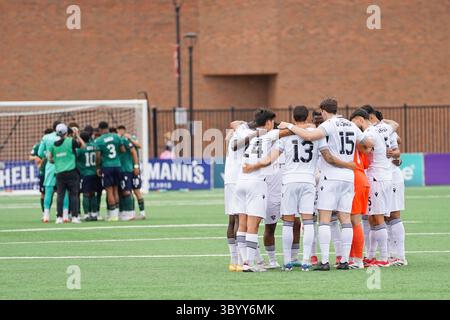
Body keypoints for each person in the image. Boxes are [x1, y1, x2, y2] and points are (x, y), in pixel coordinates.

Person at [245, 106, 355, 271]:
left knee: (288, 223)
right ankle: (305, 261)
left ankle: (288, 262)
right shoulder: (317, 135)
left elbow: (270, 159)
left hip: (289, 181)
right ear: (308, 117)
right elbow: (327, 156)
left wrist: (253, 165)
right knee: (308, 221)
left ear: (293, 117)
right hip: (309, 181)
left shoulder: (286, 136)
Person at [278, 99, 373, 270]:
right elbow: (369, 144)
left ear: (323, 111)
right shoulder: (350, 125)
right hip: (349, 178)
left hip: (330, 176)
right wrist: (364, 133)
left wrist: (289, 126)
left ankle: (324, 261)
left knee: (325, 220)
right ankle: (344, 261)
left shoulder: (329, 124)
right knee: (345, 219)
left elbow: (308, 136)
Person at [350, 108, 399, 267]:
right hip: (385, 175)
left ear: (360, 119)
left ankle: (384, 258)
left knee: (377, 218)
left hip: (376, 176)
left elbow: (368, 146)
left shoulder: (369, 132)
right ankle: (371, 255)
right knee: (372, 218)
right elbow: (394, 125)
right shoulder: (383, 127)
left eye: (354, 122)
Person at [234, 109, 279, 272]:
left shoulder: (251, 137)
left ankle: (243, 261)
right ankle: (249, 263)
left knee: (242, 224)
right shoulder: (271, 136)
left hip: (240, 182)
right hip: (256, 182)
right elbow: (268, 160)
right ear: (268, 122)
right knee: (253, 225)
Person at [48, 124, 86, 224]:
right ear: (66, 132)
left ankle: (59, 217)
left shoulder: (53, 145)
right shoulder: (71, 141)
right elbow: (83, 146)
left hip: (59, 173)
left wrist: (59, 161)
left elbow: (50, 159)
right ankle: (74, 217)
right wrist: (77, 135)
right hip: (71, 172)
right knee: (73, 195)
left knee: (60, 195)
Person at [348, 109, 371, 269]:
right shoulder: (360, 143)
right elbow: (366, 161)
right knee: (353, 220)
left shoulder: (351, 141)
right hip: (362, 178)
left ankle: (357, 260)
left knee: (354, 221)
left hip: (354, 178)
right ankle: (352, 257)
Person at [38, 121, 70, 222]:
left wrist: (48, 154)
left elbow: (39, 153)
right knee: (63, 191)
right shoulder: (66, 138)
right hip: (63, 166)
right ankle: (65, 215)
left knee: (48, 191)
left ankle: (46, 216)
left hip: (50, 166)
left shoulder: (46, 137)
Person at [95, 121, 125, 222]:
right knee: (116, 189)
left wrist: (98, 167)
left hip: (107, 167)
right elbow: (122, 150)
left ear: (100, 129)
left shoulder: (99, 140)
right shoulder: (116, 137)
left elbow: (98, 156)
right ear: (108, 127)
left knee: (109, 191)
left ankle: (113, 216)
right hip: (117, 165)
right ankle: (117, 214)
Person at [117, 125, 146, 219]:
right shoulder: (119, 141)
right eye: (119, 130)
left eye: (122, 130)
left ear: (125, 131)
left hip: (134, 167)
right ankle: (131, 213)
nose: (120, 132)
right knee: (127, 191)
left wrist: (130, 139)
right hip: (126, 168)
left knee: (136, 190)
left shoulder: (130, 138)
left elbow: (139, 145)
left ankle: (142, 213)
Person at [76, 131, 101, 221]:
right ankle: (94, 214)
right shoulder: (95, 146)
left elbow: (75, 158)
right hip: (94, 173)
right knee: (93, 194)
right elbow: (98, 157)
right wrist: (97, 167)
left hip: (85, 174)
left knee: (86, 194)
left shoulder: (81, 148)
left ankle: (86, 214)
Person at [30, 128, 53, 219]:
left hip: (54, 171)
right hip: (43, 172)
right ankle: (45, 212)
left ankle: (61, 212)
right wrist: (39, 159)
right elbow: (31, 157)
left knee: (58, 192)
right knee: (44, 193)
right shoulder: (38, 145)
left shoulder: (55, 144)